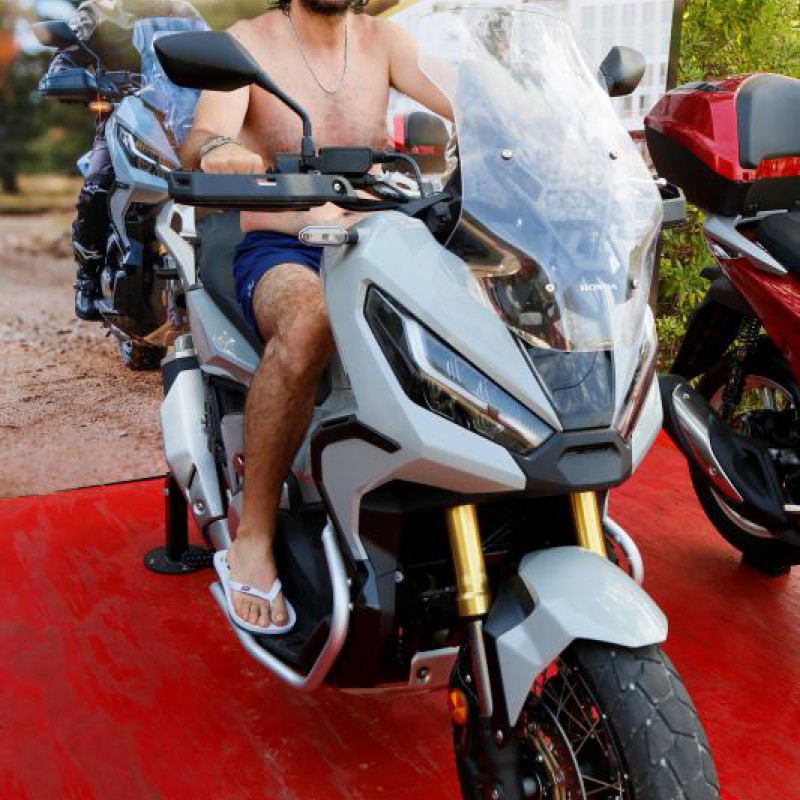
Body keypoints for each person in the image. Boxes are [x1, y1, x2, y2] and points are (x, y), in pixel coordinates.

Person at [183, 0, 451, 632]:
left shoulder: (387, 41)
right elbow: (201, 135)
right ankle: (253, 535)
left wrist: (535, 121)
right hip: (284, 245)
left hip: (383, 240)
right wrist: (220, 147)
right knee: (308, 324)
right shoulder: (248, 44)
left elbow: (471, 103)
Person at [43, 0, 198, 320]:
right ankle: (87, 278)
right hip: (123, 116)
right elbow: (67, 55)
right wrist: (65, 73)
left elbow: (213, 57)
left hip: (179, 122)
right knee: (97, 186)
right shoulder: (98, 10)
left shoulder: (184, 12)